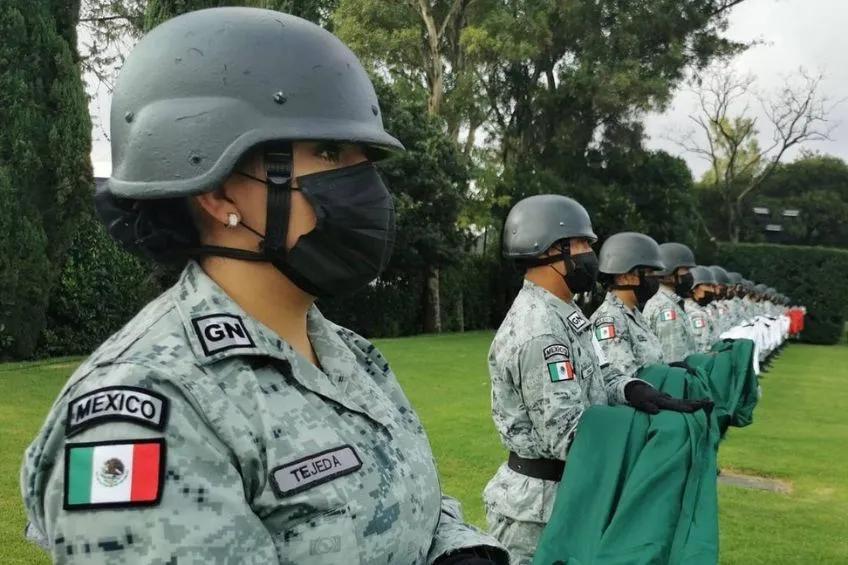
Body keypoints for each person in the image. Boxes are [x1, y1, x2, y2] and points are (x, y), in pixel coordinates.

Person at [20, 8, 507, 565]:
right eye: (328, 152)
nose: (366, 186)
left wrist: (460, 549)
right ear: (221, 194)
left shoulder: (353, 358)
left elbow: (407, 494)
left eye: (363, 159)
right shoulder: (145, 409)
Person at [482, 195, 710, 565]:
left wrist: (633, 389)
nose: (592, 253)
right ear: (552, 250)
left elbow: (600, 372)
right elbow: (566, 435)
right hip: (537, 513)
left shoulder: (566, 312)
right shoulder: (540, 330)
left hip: (570, 492)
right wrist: (647, 432)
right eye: (584, 243)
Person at [588, 231, 666, 376]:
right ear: (624, 277)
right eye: (648, 273)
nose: (654, 280)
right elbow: (622, 378)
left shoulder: (635, 315)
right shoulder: (609, 319)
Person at [642, 242, 699, 362]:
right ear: (669, 272)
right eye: (686, 270)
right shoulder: (666, 308)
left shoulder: (670, 302)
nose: (689, 275)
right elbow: (674, 360)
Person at [684, 266, 718, 353]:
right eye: (707, 285)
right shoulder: (693, 312)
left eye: (712, 286)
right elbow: (702, 348)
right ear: (694, 288)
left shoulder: (701, 309)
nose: (711, 290)